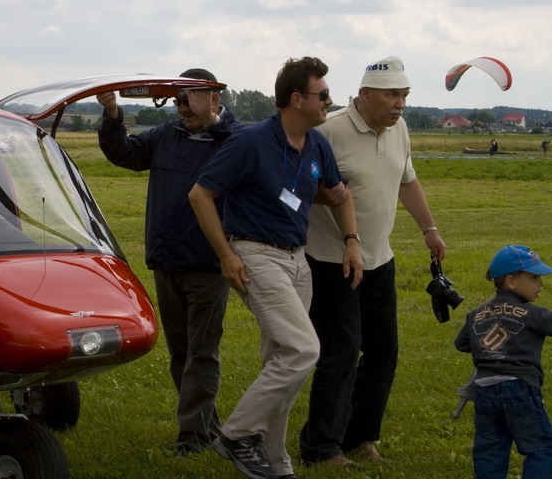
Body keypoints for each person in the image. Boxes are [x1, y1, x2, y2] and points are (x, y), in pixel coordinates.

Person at [189, 56, 363, 479]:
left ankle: (276, 463)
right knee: (304, 349)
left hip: (296, 260)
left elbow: (338, 195)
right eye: (323, 95)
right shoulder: (250, 142)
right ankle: (235, 434)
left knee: (283, 362)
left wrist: (352, 241)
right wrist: (227, 256)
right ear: (297, 99)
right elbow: (200, 195)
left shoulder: (318, 144)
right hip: (255, 255)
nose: (330, 101)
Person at [299, 56, 447, 467]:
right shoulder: (327, 132)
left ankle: (361, 438)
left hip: (381, 258)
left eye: (405, 95)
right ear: (364, 95)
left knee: (383, 351)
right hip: (332, 260)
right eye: (392, 95)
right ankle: (320, 447)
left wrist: (429, 229)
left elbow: (407, 180)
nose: (400, 104)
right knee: (342, 352)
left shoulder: (398, 130)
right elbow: (302, 187)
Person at [96, 68, 245, 455]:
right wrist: (112, 114)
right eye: (177, 101)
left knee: (202, 352)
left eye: (189, 100)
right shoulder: (168, 134)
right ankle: (208, 428)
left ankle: (193, 438)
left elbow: (242, 146)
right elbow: (124, 154)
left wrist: (212, 122)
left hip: (209, 264)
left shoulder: (235, 139)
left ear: (214, 98)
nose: (182, 109)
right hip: (167, 260)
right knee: (181, 353)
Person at [455, 245, 552, 479]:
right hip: (520, 389)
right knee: (541, 447)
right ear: (511, 281)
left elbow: (461, 344)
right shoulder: (533, 314)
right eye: (534, 277)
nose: (541, 284)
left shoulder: (476, 314)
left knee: (490, 450)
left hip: (485, 391)